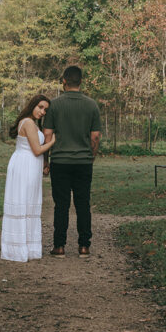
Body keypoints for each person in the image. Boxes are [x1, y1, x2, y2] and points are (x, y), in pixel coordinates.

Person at [42, 65, 102, 258]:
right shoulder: (92, 105)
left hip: (60, 161)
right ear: (81, 81)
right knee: (83, 204)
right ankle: (84, 246)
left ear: (64, 81)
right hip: (83, 162)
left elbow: (47, 134)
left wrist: (46, 160)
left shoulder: (55, 105)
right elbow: (95, 137)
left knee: (62, 205)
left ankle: (59, 246)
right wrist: (91, 156)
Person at [0, 94, 55, 262]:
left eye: (45, 109)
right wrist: (53, 141)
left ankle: (28, 247)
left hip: (30, 166)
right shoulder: (29, 123)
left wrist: (45, 162)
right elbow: (37, 150)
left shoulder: (31, 123)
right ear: (32, 105)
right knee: (22, 203)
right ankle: (17, 249)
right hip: (24, 166)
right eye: (40, 107)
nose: (43, 111)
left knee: (28, 204)